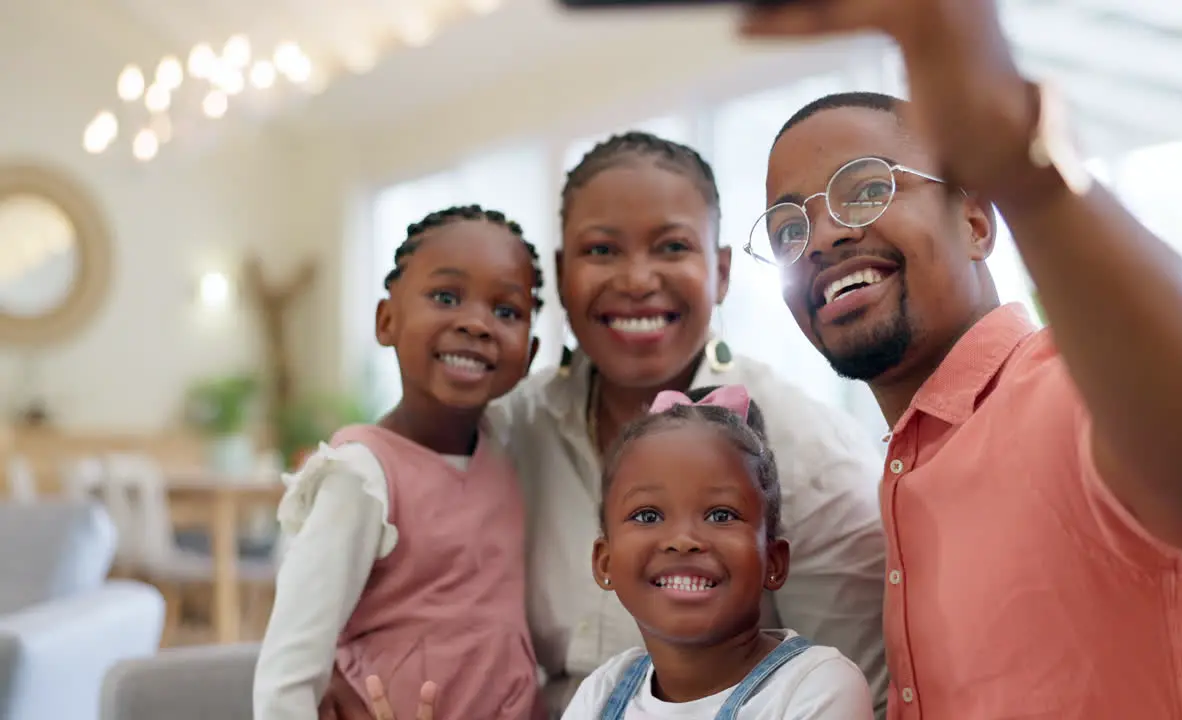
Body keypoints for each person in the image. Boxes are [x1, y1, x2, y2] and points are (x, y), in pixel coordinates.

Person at [743, 2, 1182, 718]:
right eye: (787, 227)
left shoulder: (1070, 393)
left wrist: (1023, 163)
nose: (824, 237)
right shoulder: (906, 470)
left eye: (867, 189)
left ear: (975, 220)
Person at [489, 131, 888, 716]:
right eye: (601, 251)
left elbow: (865, 698)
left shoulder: (808, 451)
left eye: (672, 247)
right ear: (560, 274)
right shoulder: (510, 429)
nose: (635, 280)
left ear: (721, 271)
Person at [253, 205, 547, 720]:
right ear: (386, 321)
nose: (477, 323)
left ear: (530, 352)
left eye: (506, 311)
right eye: (446, 297)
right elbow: (288, 672)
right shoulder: (361, 475)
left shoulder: (510, 449)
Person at [563, 384, 874, 719]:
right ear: (604, 562)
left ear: (774, 561)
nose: (682, 540)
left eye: (721, 515)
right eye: (648, 516)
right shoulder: (602, 691)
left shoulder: (815, 686)